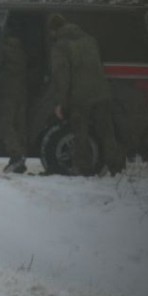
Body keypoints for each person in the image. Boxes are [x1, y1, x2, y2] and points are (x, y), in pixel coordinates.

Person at [49, 14, 124, 176]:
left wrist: (59, 103)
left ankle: (83, 169)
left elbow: (62, 76)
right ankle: (116, 168)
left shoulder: (60, 46)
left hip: (80, 97)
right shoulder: (90, 40)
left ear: (54, 30)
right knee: (107, 132)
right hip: (102, 93)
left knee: (80, 133)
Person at [0, 30, 29, 173]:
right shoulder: (20, 49)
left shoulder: (1, 49)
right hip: (21, 90)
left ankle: (16, 155)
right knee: (18, 124)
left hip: (7, 91)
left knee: (4, 124)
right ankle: (19, 158)